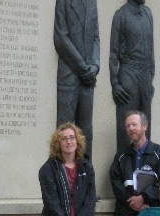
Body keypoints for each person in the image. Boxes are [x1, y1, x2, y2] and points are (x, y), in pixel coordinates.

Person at [54, 0, 100, 159]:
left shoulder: (92, 2)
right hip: (69, 76)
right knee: (64, 133)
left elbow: (95, 38)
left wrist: (95, 65)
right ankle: (62, 178)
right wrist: (82, 68)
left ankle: (85, 178)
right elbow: (61, 38)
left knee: (86, 133)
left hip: (88, 78)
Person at [110, 0, 155, 153]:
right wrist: (114, 83)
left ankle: (146, 168)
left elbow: (151, 49)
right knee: (126, 127)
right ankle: (125, 169)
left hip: (145, 74)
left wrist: (150, 78)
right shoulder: (121, 15)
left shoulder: (148, 13)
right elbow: (113, 53)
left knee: (145, 125)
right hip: (128, 72)